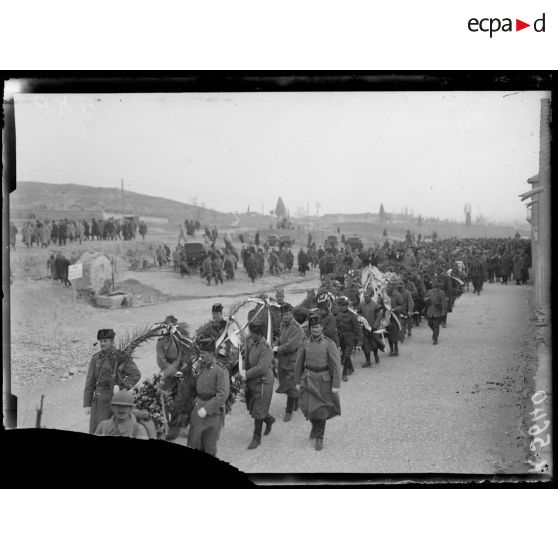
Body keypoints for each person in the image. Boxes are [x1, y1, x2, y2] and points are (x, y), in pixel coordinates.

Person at [295, 313, 341, 451]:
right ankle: (315, 427)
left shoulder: (329, 344)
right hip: (308, 378)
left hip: (323, 380)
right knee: (308, 408)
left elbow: (336, 365)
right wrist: (297, 381)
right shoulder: (305, 343)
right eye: (312, 327)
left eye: (317, 327)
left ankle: (319, 437)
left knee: (320, 410)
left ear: (322, 327)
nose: (314, 329)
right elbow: (298, 363)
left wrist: (336, 385)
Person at [83, 329, 142, 434]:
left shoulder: (120, 357)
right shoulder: (95, 359)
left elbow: (135, 374)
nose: (102, 343)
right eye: (101, 341)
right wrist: (87, 404)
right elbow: (90, 383)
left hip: (114, 399)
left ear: (112, 342)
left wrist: (121, 386)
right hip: (98, 401)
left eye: (105, 341)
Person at [187, 336, 230, 457]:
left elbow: (223, 394)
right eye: (200, 353)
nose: (201, 357)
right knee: (194, 442)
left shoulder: (221, 370)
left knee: (209, 446)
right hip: (197, 408)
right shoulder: (201, 366)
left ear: (211, 353)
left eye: (203, 353)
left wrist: (207, 409)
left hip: (213, 413)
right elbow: (197, 386)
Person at [240, 322, 275, 449]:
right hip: (251, 380)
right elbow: (245, 357)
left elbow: (261, 367)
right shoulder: (250, 341)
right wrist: (242, 369)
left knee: (258, 410)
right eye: (250, 332)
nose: (250, 334)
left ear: (259, 334)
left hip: (263, 381)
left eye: (253, 333)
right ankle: (269, 419)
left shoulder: (266, 347)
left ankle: (256, 438)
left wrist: (246, 374)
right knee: (252, 407)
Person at [273, 303, 304, 422]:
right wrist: (275, 345)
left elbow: (291, 345)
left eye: (287, 314)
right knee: (284, 382)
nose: (285, 316)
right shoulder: (283, 325)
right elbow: (280, 339)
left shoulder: (297, 328)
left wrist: (278, 349)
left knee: (290, 385)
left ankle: (288, 411)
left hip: (293, 359)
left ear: (292, 314)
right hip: (282, 360)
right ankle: (296, 399)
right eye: (283, 314)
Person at [335, 296, 362, 381]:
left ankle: (344, 374)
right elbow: (336, 326)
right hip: (341, 338)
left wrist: (359, 342)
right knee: (345, 355)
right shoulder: (338, 315)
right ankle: (351, 368)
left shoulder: (352, 316)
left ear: (347, 306)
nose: (341, 307)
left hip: (350, 338)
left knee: (346, 355)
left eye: (343, 305)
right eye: (340, 305)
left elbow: (358, 329)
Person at [357, 291, 383, 367]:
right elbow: (358, 313)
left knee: (374, 344)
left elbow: (379, 316)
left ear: (370, 296)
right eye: (365, 297)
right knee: (365, 345)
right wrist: (360, 320)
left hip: (373, 328)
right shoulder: (361, 304)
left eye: (367, 296)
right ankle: (368, 361)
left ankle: (376, 355)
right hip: (364, 329)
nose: (366, 298)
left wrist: (375, 326)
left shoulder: (375, 305)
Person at [424, 280, 448, 345]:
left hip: (438, 311)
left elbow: (444, 303)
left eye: (434, 284)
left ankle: (435, 339)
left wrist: (443, 312)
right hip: (430, 311)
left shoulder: (441, 293)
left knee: (436, 325)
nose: (433, 285)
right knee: (429, 324)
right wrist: (427, 299)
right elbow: (425, 299)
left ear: (437, 286)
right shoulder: (429, 291)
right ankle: (435, 332)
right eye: (432, 284)